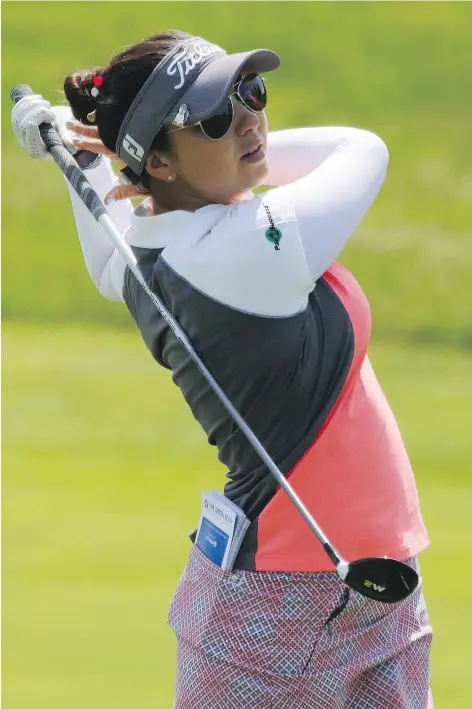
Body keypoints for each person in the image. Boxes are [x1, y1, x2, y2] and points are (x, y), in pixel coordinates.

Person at [11, 29, 433, 709]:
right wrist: (102, 144)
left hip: (368, 593)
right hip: (278, 612)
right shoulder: (240, 248)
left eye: (249, 92)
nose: (248, 119)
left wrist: (91, 149)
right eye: (212, 118)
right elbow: (363, 150)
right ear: (164, 165)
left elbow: (106, 235)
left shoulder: (147, 248)